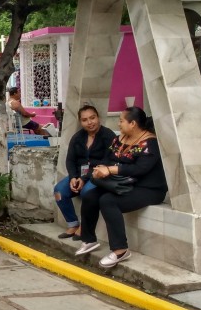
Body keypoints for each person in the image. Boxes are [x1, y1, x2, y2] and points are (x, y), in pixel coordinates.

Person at [75, 106, 167, 268]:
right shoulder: (121, 138)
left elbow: (140, 169)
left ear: (132, 124)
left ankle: (120, 250)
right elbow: (107, 158)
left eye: (121, 121)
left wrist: (110, 169)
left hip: (148, 188)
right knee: (90, 195)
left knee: (108, 200)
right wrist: (99, 169)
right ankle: (89, 240)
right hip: (123, 183)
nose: (119, 124)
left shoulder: (149, 143)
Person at [53, 105, 116, 239]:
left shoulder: (108, 135)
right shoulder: (77, 137)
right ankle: (73, 224)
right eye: (85, 119)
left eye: (92, 118)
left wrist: (85, 178)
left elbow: (108, 160)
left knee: (87, 192)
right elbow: (70, 160)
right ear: (80, 121)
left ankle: (85, 227)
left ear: (98, 117)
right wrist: (73, 177)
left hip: (99, 175)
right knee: (59, 191)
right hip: (79, 175)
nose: (89, 122)